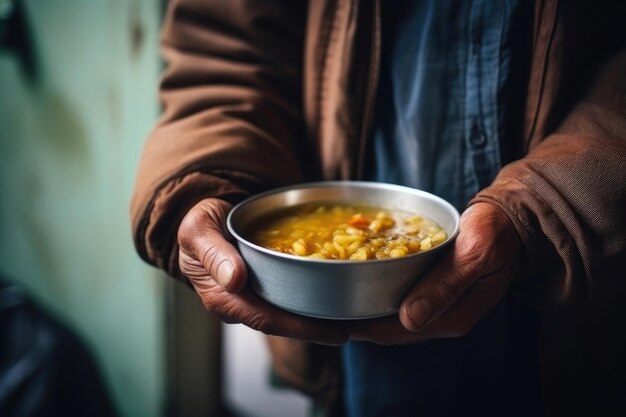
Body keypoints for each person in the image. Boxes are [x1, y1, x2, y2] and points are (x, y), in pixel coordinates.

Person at [131, 1, 626, 416]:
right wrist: (204, 183)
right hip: (341, 364)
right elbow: (225, 58)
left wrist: (545, 211)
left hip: (580, 331)